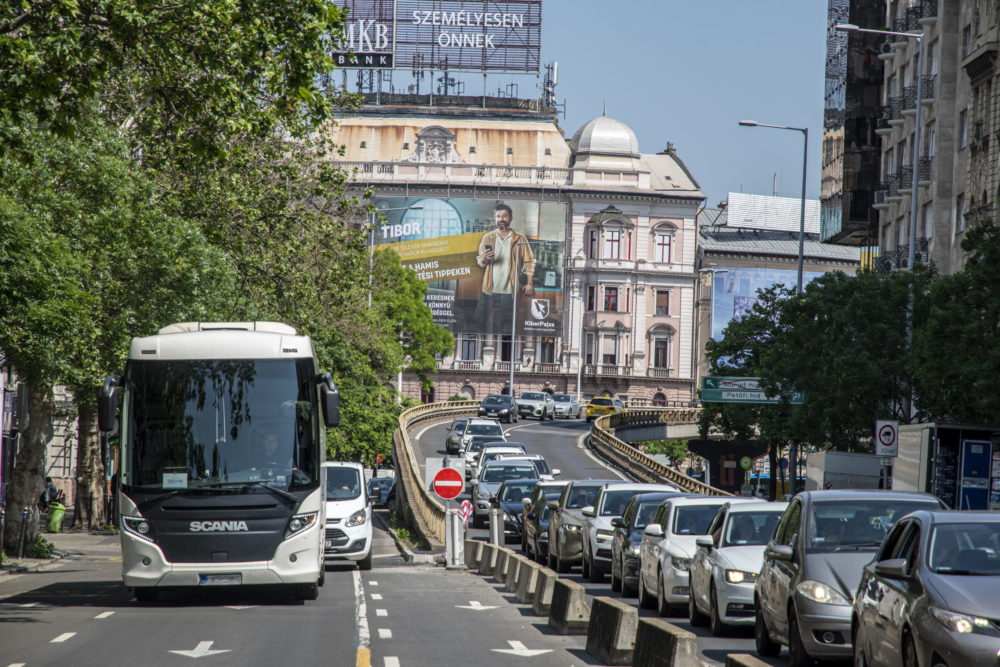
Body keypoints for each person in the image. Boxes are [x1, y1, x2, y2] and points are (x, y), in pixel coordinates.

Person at [474, 203, 536, 333]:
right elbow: (480, 262)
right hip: (489, 289)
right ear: (495, 219)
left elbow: (529, 260)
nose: (501, 219)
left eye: (504, 216)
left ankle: (500, 351)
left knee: (503, 327)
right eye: (498, 216)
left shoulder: (520, 238)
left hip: (509, 291)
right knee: (479, 321)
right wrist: (485, 258)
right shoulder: (488, 238)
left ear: (510, 218)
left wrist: (529, 283)